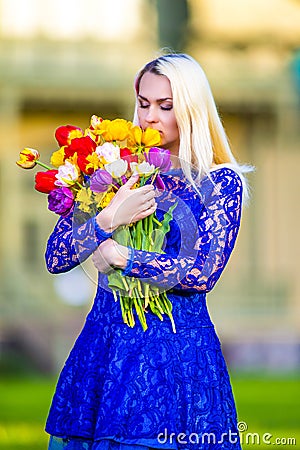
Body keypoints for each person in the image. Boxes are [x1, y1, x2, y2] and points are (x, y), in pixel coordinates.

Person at [46, 53, 252, 450]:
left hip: (174, 355)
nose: (150, 117)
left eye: (165, 106)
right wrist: (107, 218)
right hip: (104, 347)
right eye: (143, 103)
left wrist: (124, 258)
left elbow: (201, 273)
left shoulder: (219, 181)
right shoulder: (113, 170)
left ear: (191, 109)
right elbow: (56, 256)